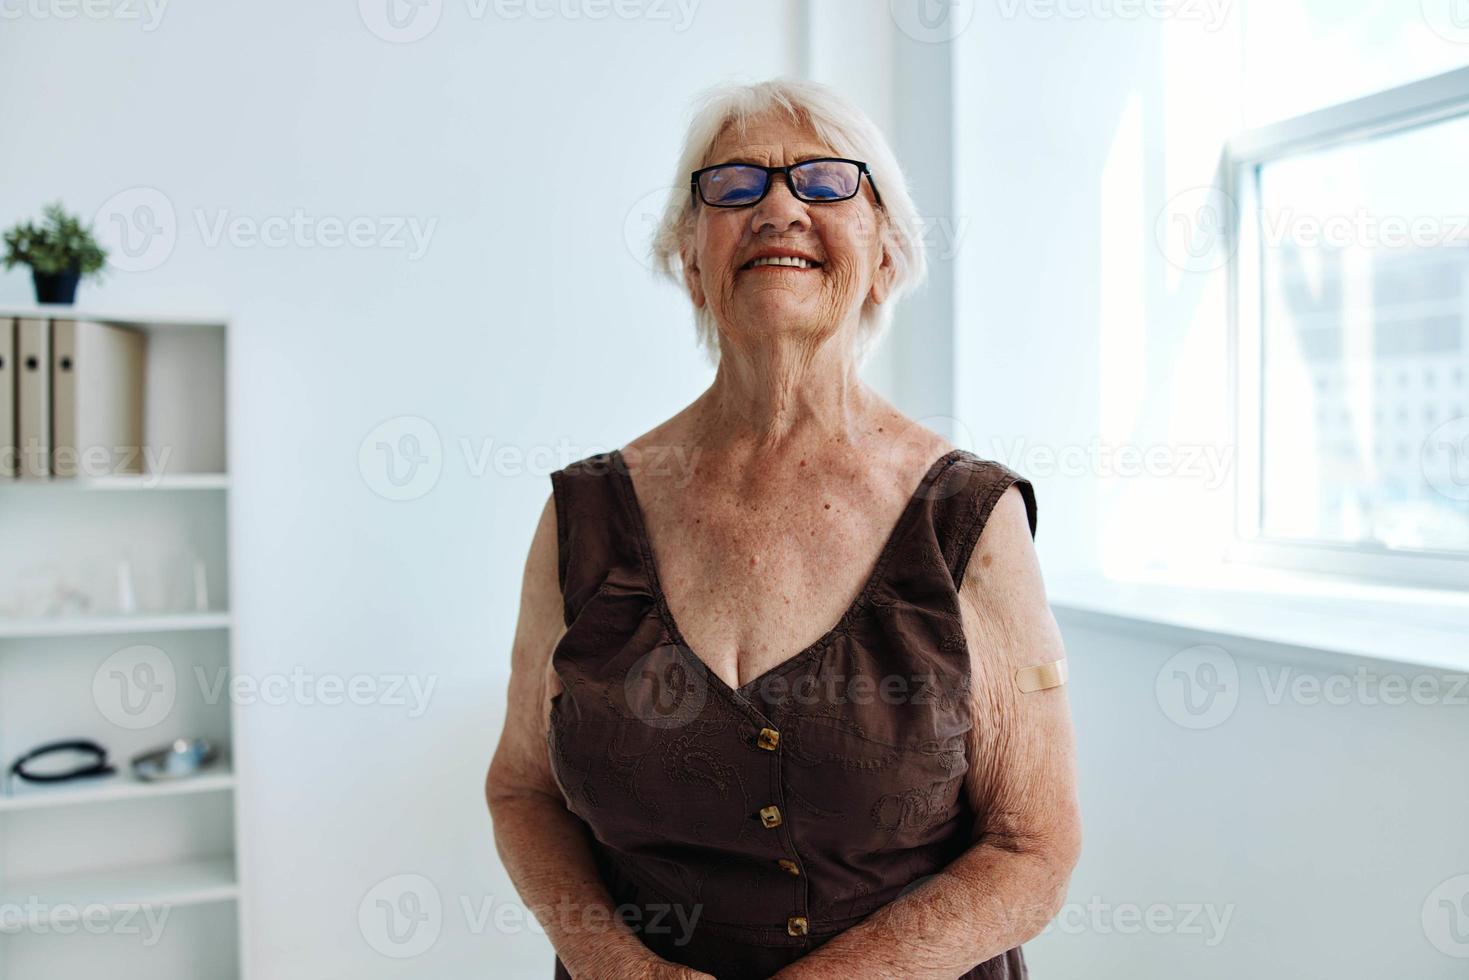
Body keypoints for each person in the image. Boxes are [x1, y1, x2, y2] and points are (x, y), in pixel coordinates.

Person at [487, 77, 1081, 979]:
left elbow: (1033, 851)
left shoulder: (970, 518)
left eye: (825, 182)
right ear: (690, 258)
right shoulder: (584, 514)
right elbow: (523, 791)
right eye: (732, 185)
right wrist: (625, 970)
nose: (777, 207)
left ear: (884, 253)